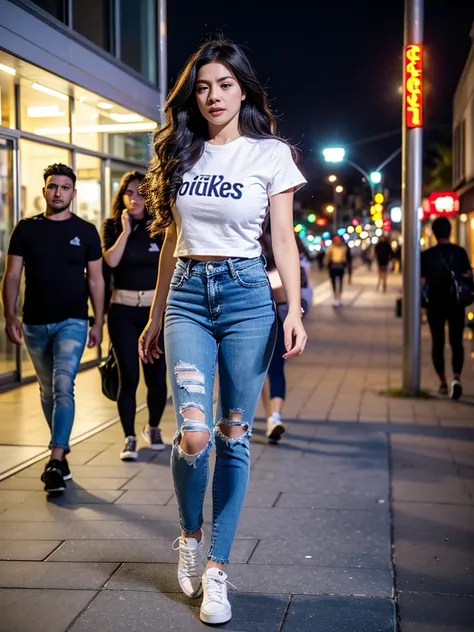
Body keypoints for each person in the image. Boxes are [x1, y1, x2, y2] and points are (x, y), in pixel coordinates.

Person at [138, 39, 307, 625]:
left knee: (235, 433)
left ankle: (217, 571)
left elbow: (282, 239)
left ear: (243, 90)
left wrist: (294, 310)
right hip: (187, 293)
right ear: (195, 93)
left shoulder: (271, 155)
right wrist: (156, 315)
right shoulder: (181, 154)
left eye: (225, 85)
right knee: (192, 433)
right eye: (204, 86)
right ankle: (188, 533)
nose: (213, 96)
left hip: (247, 300)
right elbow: (169, 244)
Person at [2, 163, 104, 493]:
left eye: (64, 187)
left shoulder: (87, 231)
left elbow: (97, 280)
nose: (57, 192)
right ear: (44, 190)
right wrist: (10, 315)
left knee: (63, 384)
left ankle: (55, 458)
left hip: (72, 320)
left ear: (74, 193)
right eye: (52, 186)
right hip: (33, 322)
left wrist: (98, 322)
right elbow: (13, 275)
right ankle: (61, 456)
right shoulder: (25, 229)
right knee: (48, 390)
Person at [101, 171, 167, 460]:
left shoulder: (161, 226)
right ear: (122, 196)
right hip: (123, 312)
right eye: (129, 192)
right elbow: (111, 261)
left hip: (154, 313)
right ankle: (128, 436)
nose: (134, 198)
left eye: (141, 192)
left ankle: (153, 427)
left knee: (156, 376)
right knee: (128, 376)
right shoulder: (113, 225)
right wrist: (126, 232)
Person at [260, 229, 308, 444]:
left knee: (267, 371)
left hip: (269, 323)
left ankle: (272, 416)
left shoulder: (272, 272)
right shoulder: (278, 271)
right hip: (275, 322)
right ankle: (273, 417)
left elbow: (283, 298)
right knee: (270, 371)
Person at [421, 217, 472, 399]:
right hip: (456, 303)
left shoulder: (427, 255)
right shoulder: (460, 252)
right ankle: (456, 378)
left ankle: (442, 382)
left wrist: (419, 304)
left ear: (433, 234)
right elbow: (468, 275)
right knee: (456, 342)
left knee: (438, 343)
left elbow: (422, 281)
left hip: (435, 304)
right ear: (450, 231)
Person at [325, 235, 347, 307]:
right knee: (333, 283)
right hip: (333, 267)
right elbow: (327, 257)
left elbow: (346, 258)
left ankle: (339, 298)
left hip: (340, 266)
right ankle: (335, 298)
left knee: (340, 283)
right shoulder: (331, 248)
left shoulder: (343, 248)